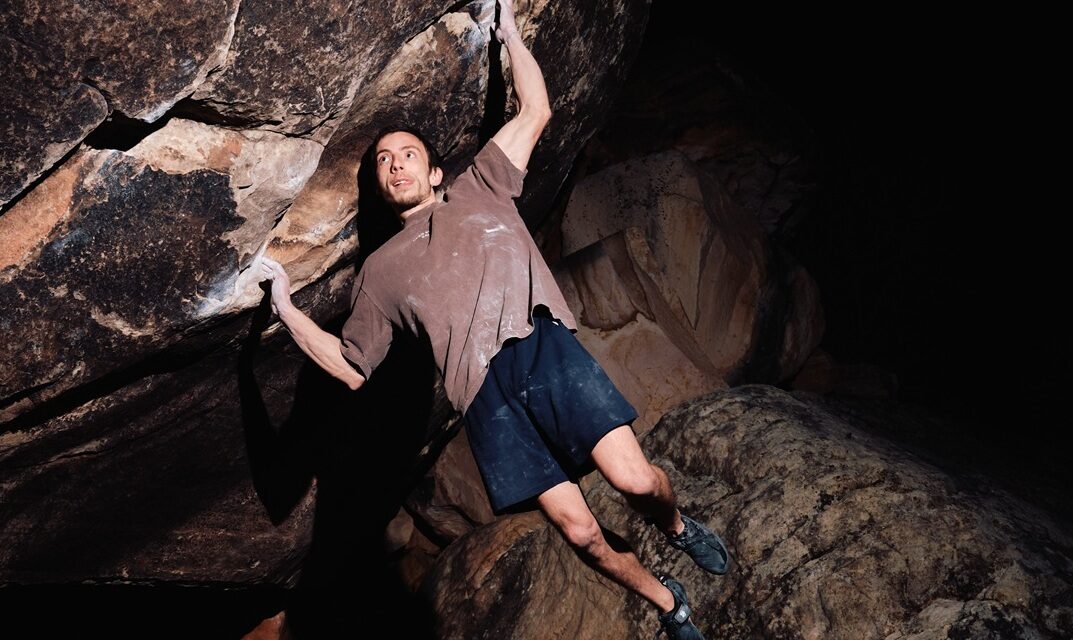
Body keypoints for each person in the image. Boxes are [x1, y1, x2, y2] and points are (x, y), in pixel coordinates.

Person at [257, 1, 730, 637]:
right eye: (382, 161)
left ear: (434, 171)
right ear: (377, 185)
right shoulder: (379, 274)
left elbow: (535, 111)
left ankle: (677, 527)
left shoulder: (481, 185)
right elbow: (350, 367)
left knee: (635, 479)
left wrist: (508, 30)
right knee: (581, 532)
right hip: (484, 400)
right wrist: (286, 306)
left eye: (407, 154)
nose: (395, 162)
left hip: (540, 347)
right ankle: (670, 604)